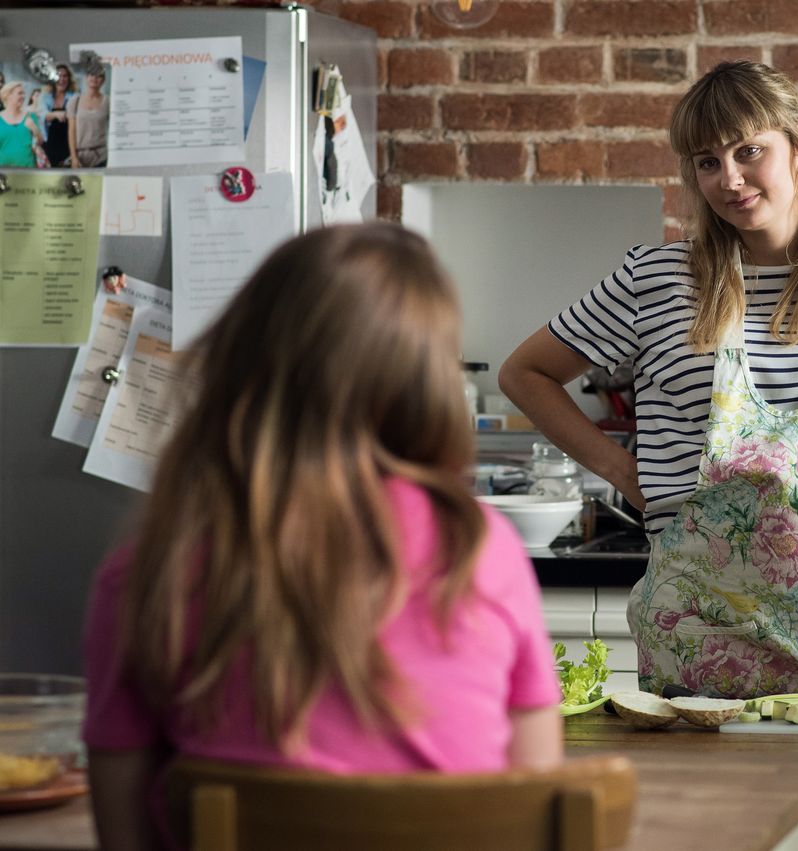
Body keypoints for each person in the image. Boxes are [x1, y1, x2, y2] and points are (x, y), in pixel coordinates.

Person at [500, 61, 798, 707]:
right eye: (707, 161)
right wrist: (624, 471)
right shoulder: (657, 281)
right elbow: (524, 373)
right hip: (695, 655)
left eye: (750, 151)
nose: (731, 179)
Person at [83, 224, 565, 850]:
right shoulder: (482, 547)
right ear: (426, 384)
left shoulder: (149, 570)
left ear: (242, 362)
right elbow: (529, 796)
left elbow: (126, 836)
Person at [68, 68, 108, 168]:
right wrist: (73, 157)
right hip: (79, 156)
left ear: (103, 80)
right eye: (92, 74)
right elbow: (71, 131)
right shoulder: (74, 101)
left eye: (99, 76)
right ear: (86, 78)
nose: (94, 78)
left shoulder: (108, 101)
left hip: (101, 156)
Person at [0, 82, 43, 168]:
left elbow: (40, 142)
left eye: (24, 93)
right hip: (3, 171)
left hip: (28, 169)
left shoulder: (31, 116)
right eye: (20, 93)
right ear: (8, 95)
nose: (23, 97)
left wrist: (34, 128)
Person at [40, 63, 75, 167]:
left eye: (65, 76)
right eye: (59, 75)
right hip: (49, 144)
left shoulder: (74, 96)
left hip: (68, 144)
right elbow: (43, 115)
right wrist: (56, 114)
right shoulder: (45, 97)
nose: (62, 79)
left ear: (69, 79)